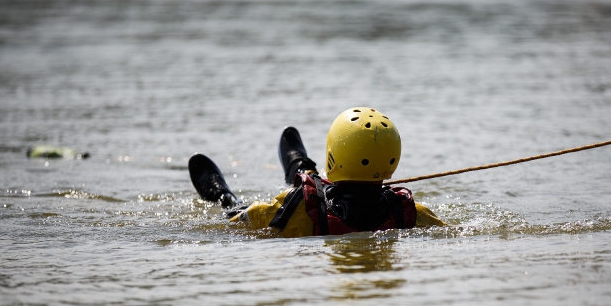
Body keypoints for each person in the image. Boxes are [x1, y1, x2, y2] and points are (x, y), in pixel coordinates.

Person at [188, 107, 444, 237]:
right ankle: (300, 165)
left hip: (308, 201)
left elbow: (237, 223)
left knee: (232, 205)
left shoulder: (291, 212)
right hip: (331, 194)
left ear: (333, 156)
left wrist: (234, 211)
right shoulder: (412, 214)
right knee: (312, 185)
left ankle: (222, 194)